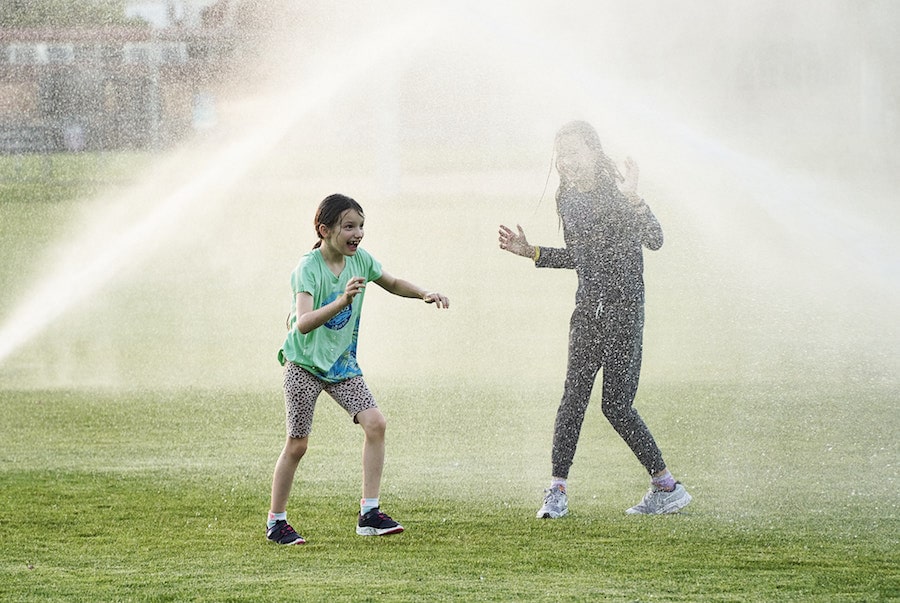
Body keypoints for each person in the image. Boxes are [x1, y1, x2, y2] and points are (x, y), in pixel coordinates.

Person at [498, 120, 691, 518]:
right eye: (560, 155)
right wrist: (532, 252)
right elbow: (580, 258)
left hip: (624, 312)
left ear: (593, 150)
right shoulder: (567, 197)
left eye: (573, 152)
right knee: (573, 398)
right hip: (588, 311)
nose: (565, 162)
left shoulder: (618, 191)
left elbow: (654, 239)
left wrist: (635, 199)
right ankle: (557, 490)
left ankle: (666, 486)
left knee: (617, 406)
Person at [266, 193, 450, 545]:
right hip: (303, 365)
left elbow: (392, 282)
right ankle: (276, 522)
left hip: (341, 364)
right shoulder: (308, 267)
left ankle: (370, 514)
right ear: (325, 230)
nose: (358, 233)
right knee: (297, 445)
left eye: (361, 226)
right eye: (349, 226)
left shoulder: (360, 260)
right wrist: (342, 301)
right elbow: (302, 323)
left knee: (375, 423)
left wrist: (424, 293)